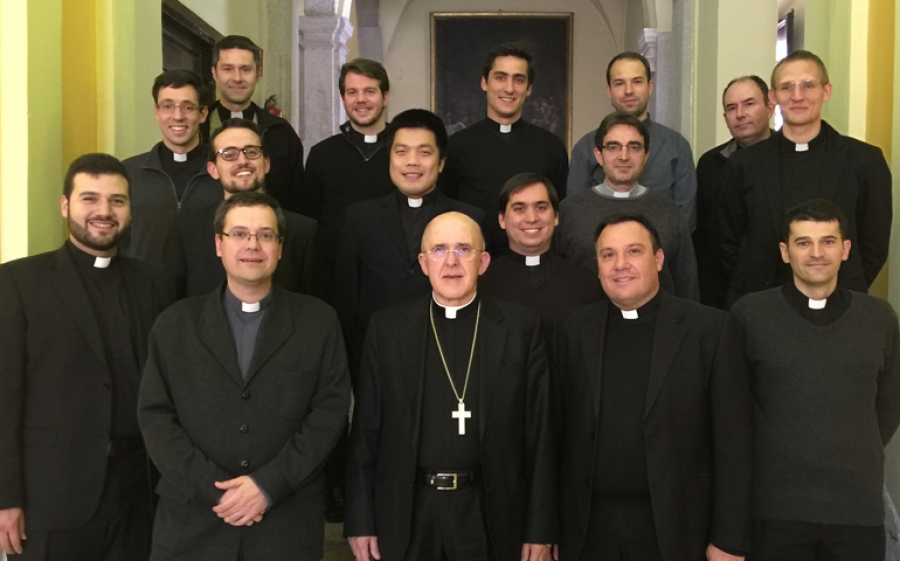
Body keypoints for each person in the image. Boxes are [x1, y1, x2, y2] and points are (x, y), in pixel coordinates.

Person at [138, 191, 351, 561]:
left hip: (285, 521)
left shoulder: (318, 321)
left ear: (280, 248)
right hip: (193, 520)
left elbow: (329, 414)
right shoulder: (174, 324)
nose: (252, 245)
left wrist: (268, 486)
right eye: (239, 234)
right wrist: (217, 490)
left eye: (265, 235)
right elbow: (155, 417)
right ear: (218, 244)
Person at [345, 212, 556, 561]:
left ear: (483, 261)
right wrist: (360, 519)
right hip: (409, 512)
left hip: (490, 512)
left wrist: (541, 528)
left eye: (464, 250)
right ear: (424, 263)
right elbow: (365, 434)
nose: (452, 262)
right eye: (440, 250)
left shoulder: (520, 329)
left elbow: (541, 437)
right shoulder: (388, 329)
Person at [0, 154, 172, 560]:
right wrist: (6, 497)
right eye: (90, 199)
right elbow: (3, 397)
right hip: (51, 496)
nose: (104, 212)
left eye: (117, 201)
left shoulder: (152, 283)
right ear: (65, 206)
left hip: (138, 492)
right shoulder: (18, 282)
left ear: (130, 209)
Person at [556, 213, 751, 561]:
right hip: (588, 530)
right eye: (608, 255)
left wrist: (729, 539)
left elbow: (734, 444)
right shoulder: (574, 329)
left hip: (677, 528)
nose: (620, 265)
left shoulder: (711, 330)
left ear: (659, 259)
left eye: (634, 251)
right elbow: (557, 434)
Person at [731, 199, 900, 561]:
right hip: (775, 511)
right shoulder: (750, 314)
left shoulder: (879, 318)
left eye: (828, 241)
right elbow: (734, 410)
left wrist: (849, 446)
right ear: (785, 252)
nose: (817, 253)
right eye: (803, 242)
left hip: (856, 509)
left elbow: (889, 405)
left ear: (845, 250)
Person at [719, 50, 892, 309]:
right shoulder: (744, 164)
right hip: (761, 302)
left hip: (842, 302)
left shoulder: (864, 160)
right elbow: (728, 240)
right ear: (773, 97)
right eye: (787, 87)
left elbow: (874, 243)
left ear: (827, 91)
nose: (797, 96)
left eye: (808, 85)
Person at [334, 109, 485, 378]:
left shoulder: (470, 220)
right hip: (377, 360)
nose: (411, 162)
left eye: (424, 153)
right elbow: (347, 302)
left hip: (450, 355)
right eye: (401, 152)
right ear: (389, 158)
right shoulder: (359, 218)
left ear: (441, 163)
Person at [438, 42, 569, 256]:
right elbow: (446, 211)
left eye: (519, 80)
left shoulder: (551, 147)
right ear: (484, 83)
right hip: (474, 263)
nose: (509, 88)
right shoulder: (456, 146)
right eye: (500, 77)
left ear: (528, 89)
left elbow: (558, 214)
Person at [164, 118, 317, 298]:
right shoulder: (186, 229)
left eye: (251, 152)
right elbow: (172, 303)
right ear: (213, 169)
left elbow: (313, 308)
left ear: (266, 163)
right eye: (229, 154)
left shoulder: (303, 231)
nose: (243, 161)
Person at [557, 111, 698, 301]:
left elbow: (686, 282)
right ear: (599, 155)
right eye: (613, 147)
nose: (624, 156)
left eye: (634, 147)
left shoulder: (668, 211)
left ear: (646, 155)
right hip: (585, 324)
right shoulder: (569, 211)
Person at [302, 58, 396, 303]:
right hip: (334, 280)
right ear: (343, 99)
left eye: (369, 91)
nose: (360, 100)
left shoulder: (405, 154)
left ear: (385, 97)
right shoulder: (322, 154)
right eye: (352, 92)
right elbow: (311, 220)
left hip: (393, 276)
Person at [567, 52, 696, 226]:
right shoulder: (586, 147)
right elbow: (575, 214)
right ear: (609, 91)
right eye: (619, 83)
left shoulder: (676, 146)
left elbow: (685, 216)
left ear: (650, 86)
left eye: (637, 81)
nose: (629, 91)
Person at [479, 172, 602, 335]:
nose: (531, 218)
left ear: (556, 217)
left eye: (541, 207)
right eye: (519, 209)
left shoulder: (587, 285)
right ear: (502, 219)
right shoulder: (481, 285)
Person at [121, 69, 222, 266]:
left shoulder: (224, 172)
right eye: (167, 106)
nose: (177, 116)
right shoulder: (128, 173)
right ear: (156, 112)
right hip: (146, 291)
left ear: (202, 114)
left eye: (188, 107)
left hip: (209, 291)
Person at [693, 76, 774, 309]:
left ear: (769, 107)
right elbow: (705, 233)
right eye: (731, 108)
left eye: (749, 104)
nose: (740, 114)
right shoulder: (710, 163)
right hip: (721, 292)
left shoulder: (791, 160)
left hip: (777, 287)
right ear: (725, 118)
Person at [204, 35, 305, 212]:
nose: (237, 78)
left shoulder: (281, 132)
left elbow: (297, 199)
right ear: (214, 73)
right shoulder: (199, 128)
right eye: (228, 69)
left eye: (245, 69)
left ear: (258, 73)